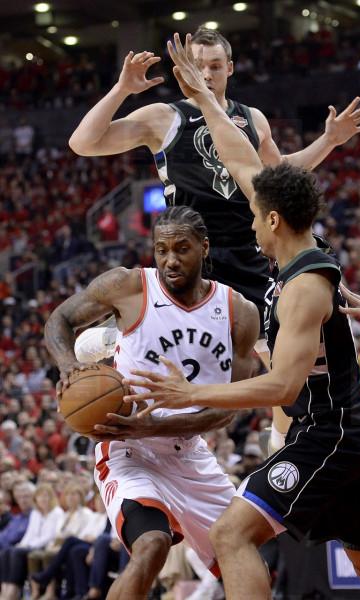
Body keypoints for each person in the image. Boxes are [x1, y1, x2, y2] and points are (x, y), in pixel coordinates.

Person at [125, 34, 360, 599]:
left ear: (271, 221)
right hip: (347, 430)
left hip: (330, 432)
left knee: (231, 535)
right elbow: (236, 152)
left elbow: (282, 383)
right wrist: (205, 97)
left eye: (252, 218)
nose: (246, 226)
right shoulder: (289, 245)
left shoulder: (304, 287)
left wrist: (182, 395)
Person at [69, 27, 360, 448]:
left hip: (249, 251)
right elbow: (83, 143)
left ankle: (281, 448)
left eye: (216, 66)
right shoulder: (164, 116)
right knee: (182, 341)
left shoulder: (252, 118)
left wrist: (329, 140)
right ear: (184, 69)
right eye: (199, 66)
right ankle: (116, 337)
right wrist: (123, 88)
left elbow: (278, 178)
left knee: (280, 365)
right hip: (192, 251)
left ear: (230, 68)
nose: (208, 74)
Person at [44, 205, 260, 600]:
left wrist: (153, 426)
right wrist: (68, 367)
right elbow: (58, 320)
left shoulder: (239, 313)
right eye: (161, 249)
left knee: (245, 557)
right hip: (128, 449)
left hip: (189, 453)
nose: (170, 260)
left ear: (204, 248)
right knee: (152, 546)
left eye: (182, 248)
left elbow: (229, 410)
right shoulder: (128, 286)